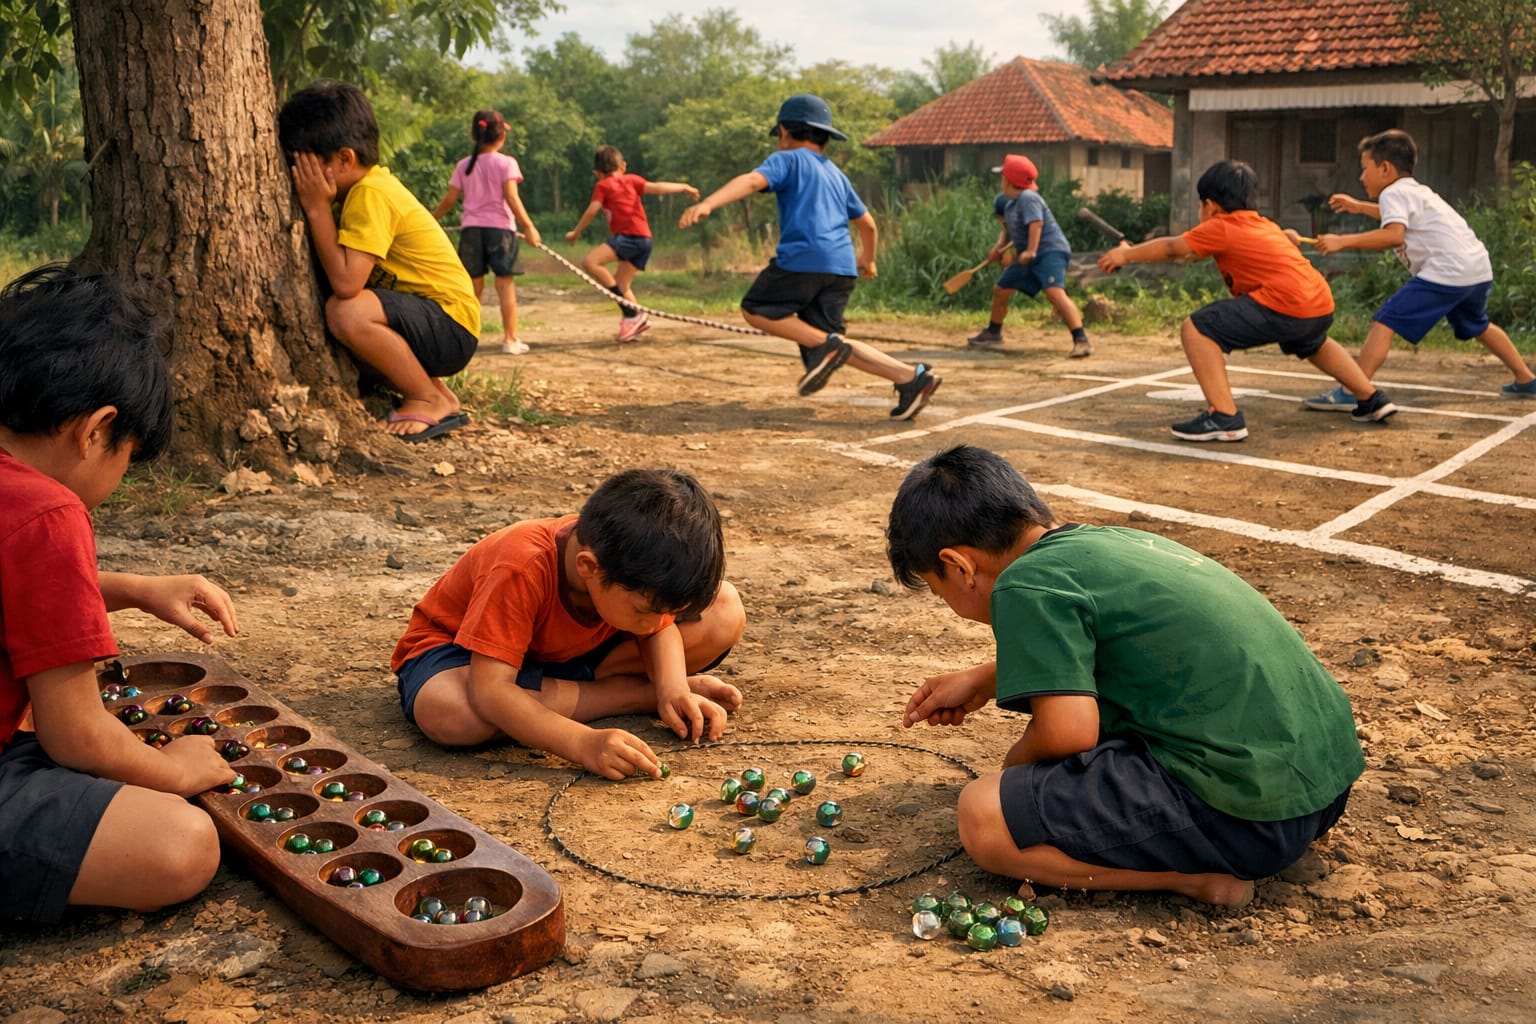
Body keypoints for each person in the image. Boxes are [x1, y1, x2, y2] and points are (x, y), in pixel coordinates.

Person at [886, 444, 1363, 906]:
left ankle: (1193, 880)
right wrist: (987, 679)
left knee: (984, 816)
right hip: (1324, 786)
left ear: (959, 566)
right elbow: (1121, 646)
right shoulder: (1104, 542)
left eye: (938, 591)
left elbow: (1068, 734)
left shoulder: (1022, 584)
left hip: (1249, 815)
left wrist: (1015, 770)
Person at [0, 264, 242, 924]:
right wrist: (177, 770)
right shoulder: (49, 512)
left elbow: (16, 593)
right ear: (96, 430)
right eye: (127, 457)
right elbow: (77, 735)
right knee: (179, 845)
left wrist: (129, 590)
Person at [392, 468, 746, 779]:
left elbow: (660, 627)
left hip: (567, 659)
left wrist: (674, 689)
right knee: (452, 713)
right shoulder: (521, 565)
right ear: (588, 567)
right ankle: (633, 696)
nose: (654, 623)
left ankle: (554, 698)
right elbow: (490, 691)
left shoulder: (626, 564)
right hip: (463, 658)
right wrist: (582, 743)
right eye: (643, 611)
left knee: (724, 610)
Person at [679, 94, 941, 421]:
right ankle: (911, 377)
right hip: (841, 268)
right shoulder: (836, 174)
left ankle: (826, 348)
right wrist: (869, 259)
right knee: (831, 342)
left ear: (784, 131)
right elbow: (868, 225)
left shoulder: (787, 160)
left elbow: (752, 180)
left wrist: (708, 203)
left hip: (805, 258)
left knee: (756, 308)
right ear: (826, 139)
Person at [1099, 159, 1397, 441]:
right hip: (1318, 305)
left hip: (1284, 305)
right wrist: (1134, 251)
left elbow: (1172, 248)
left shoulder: (1220, 226)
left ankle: (1224, 417)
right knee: (1313, 343)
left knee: (1197, 328)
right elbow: (1188, 255)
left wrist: (1126, 254)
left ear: (1211, 206)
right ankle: (1371, 398)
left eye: (1201, 205)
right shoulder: (1263, 224)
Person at [278, 80, 480, 442]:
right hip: (436, 325)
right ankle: (438, 393)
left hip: (450, 325)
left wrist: (317, 207)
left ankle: (427, 397)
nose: (298, 178)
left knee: (346, 313)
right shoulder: (361, 191)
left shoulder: (370, 194)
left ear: (344, 159)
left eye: (306, 166)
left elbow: (346, 283)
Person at [1307, 129, 1535, 406]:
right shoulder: (1416, 190)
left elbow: (1393, 235)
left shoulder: (1392, 193)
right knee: (1479, 325)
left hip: (1447, 271)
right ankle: (1526, 378)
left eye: (1365, 168)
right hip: (1476, 269)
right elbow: (1397, 216)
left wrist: (1341, 241)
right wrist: (1359, 207)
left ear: (1385, 169)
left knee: (1385, 320)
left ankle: (1355, 389)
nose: (1361, 177)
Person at [431, 109, 542, 356]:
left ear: (475, 135)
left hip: (471, 231)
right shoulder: (507, 163)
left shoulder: (463, 165)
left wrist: (432, 218)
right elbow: (511, 197)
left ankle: (464, 339)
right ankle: (510, 339)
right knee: (505, 285)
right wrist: (529, 226)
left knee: (473, 288)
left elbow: (449, 200)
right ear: (501, 136)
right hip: (500, 231)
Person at [565, 145, 699, 343]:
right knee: (622, 284)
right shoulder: (632, 180)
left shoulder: (603, 186)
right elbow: (657, 187)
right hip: (645, 240)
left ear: (597, 173)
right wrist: (684, 187)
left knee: (591, 262)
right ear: (623, 166)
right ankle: (634, 323)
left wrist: (576, 232)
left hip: (629, 238)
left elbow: (592, 210)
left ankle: (631, 313)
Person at [967, 155, 1091, 358]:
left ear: (1008, 181)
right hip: (1027, 255)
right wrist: (998, 249)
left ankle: (1081, 340)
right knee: (1001, 289)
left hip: (1049, 251)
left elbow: (1036, 224)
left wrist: (1031, 251)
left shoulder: (1028, 198)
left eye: (1003, 177)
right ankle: (993, 332)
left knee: (1054, 292)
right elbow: (1008, 233)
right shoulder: (1010, 206)